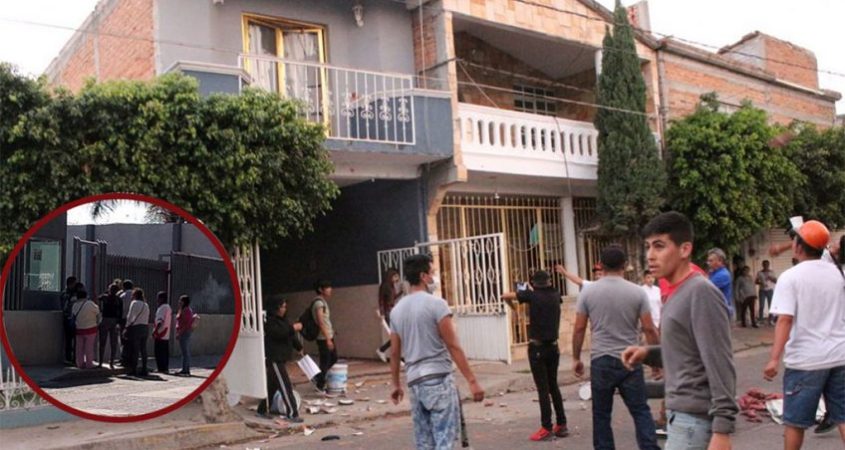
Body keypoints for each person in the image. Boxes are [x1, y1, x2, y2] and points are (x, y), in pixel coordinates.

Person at [622, 211, 738, 450]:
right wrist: (648, 353)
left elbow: (720, 362)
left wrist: (722, 429)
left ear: (685, 249)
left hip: (694, 421)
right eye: (647, 247)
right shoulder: (677, 292)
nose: (650, 255)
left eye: (659, 246)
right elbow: (686, 353)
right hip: (680, 417)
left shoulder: (701, 292)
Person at [762, 220, 845, 448]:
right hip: (839, 357)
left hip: (805, 362)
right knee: (843, 416)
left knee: (795, 423)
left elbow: (785, 320)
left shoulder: (790, 277)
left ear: (798, 246)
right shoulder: (838, 273)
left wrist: (774, 359)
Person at [390, 254, 485, 449]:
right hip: (439, 379)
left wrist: (396, 384)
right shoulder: (437, 305)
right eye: (432, 272)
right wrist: (472, 381)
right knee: (444, 441)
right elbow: (453, 345)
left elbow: (394, 353)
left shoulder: (397, 310)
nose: (434, 277)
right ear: (423, 276)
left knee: (425, 443)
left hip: (414, 381)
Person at [574, 246, 660, 450]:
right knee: (640, 410)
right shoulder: (637, 292)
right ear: (624, 265)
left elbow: (579, 328)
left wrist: (576, 358)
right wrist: (656, 360)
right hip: (630, 359)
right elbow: (649, 328)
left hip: (601, 360)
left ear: (601, 265)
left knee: (601, 415)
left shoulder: (588, 292)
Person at [502, 270, 568, 441]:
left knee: (543, 389)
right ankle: (561, 424)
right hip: (553, 347)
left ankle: (546, 427)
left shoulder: (532, 295)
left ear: (533, 283)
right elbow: (544, 295)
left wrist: (515, 308)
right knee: (553, 386)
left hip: (538, 348)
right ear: (549, 281)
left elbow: (505, 295)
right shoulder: (556, 294)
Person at [258, 298, 304, 423]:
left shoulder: (284, 321)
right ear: (276, 308)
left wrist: (299, 347)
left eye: (285, 307)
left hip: (282, 357)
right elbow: (279, 333)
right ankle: (292, 413)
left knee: (272, 386)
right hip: (275, 358)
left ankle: (262, 409)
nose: (284, 309)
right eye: (282, 307)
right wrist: (293, 328)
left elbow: (290, 335)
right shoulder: (270, 322)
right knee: (285, 385)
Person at [311, 280, 336, 392]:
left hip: (328, 335)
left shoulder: (322, 302)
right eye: (327, 287)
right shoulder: (319, 303)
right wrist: (328, 339)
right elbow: (321, 322)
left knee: (333, 358)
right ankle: (319, 383)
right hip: (323, 337)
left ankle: (318, 378)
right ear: (320, 289)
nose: (330, 289)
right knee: (326, 360)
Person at [376, 268, 403, 363]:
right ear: (390, 276)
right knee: (396, 335)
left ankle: (382, 350)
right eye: (395, 277)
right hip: (388, 312)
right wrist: (382, 313)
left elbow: (392, 298)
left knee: (397, 335)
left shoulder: (391, 286)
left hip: (392, 311)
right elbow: (381, 301)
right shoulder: (385, 286)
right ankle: (384, 351)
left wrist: (400, 293)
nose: (397, 279)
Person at [71, 289, 100, 369]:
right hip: (91, 328)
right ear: (86, 296)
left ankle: (79, 363)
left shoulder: (75, 305)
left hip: (79, 328)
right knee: (89, 347)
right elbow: (97, 312)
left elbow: (73, 315)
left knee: (79, 348)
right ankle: (89, 363)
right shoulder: (90, 304)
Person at [124, 288, 150, 377]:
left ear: (135, 295)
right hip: (145, 327)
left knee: (135, 349)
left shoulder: (134, 303)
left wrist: (126, 327)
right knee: (143, 349)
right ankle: (144, 368)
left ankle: (134, 369)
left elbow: (130, 316)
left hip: (136, 328)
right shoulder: (146, 305)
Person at [98, 284, 122, 369]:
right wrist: (118, 322)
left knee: (102, 342)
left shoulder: (105, 297)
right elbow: (120, 312)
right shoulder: (119, 299)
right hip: (114, 321)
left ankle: (100, 362)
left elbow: (99, 297)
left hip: (105, 320)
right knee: (113, 343)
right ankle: (111, 362)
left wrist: (106, 292)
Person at [706, 248, 733, 316]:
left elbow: (705, 287)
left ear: (720, 261)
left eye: (711, 261)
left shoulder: (723, 275)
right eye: (708, 261)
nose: (708, 263)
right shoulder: (714, 272)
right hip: (717, 310)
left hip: (721, 312)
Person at [175, 295, 195, 377]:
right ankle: (185, 369)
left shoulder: (186, 310)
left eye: (181, 300)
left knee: (185, 352)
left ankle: (185, 369)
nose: (179, 302)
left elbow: (186, 324)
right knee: (184, 352)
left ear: (184, 302)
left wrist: (180, 333)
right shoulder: (183, 309)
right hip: (183, 332)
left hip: (184, 332)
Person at [60, 276, 79, 365]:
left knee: (71, 339)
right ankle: (70, 358)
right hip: (70, 318)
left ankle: (72, 357)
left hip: (69, 318)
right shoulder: (68, 294)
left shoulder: (66, 293)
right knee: (70, 339)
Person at [153, 291, 172, 374]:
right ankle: (165, 367)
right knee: (165, 352)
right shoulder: (168, 307)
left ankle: (160, 368)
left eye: (158, 298)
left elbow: (160, 321)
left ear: (161, 299)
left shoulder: (162, 308)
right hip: (166, 333)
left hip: (160, 333)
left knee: (158, 352)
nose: (157, 300)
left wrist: (155, 331)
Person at [118, 279, 135, 367]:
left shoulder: (122, 296)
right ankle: (132, 358)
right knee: (132, 340)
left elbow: (119, 309)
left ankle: (124, 359)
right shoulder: (136, 295)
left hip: (124, 320)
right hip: (134, 321)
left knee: (124, 340)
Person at [755, 260, 777, 325]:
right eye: (764, 264)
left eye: (767, 264)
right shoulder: (759, 273)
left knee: (771, 306)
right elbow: (756, 281)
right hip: (762, 290)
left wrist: (771, 278)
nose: (766, 265)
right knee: (761, 306)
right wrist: (761, 283)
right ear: (762, 265)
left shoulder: (771, 272)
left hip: (770, 290)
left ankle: (771, 320)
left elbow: (776, 281)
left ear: (769, 265)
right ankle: (761, 320)